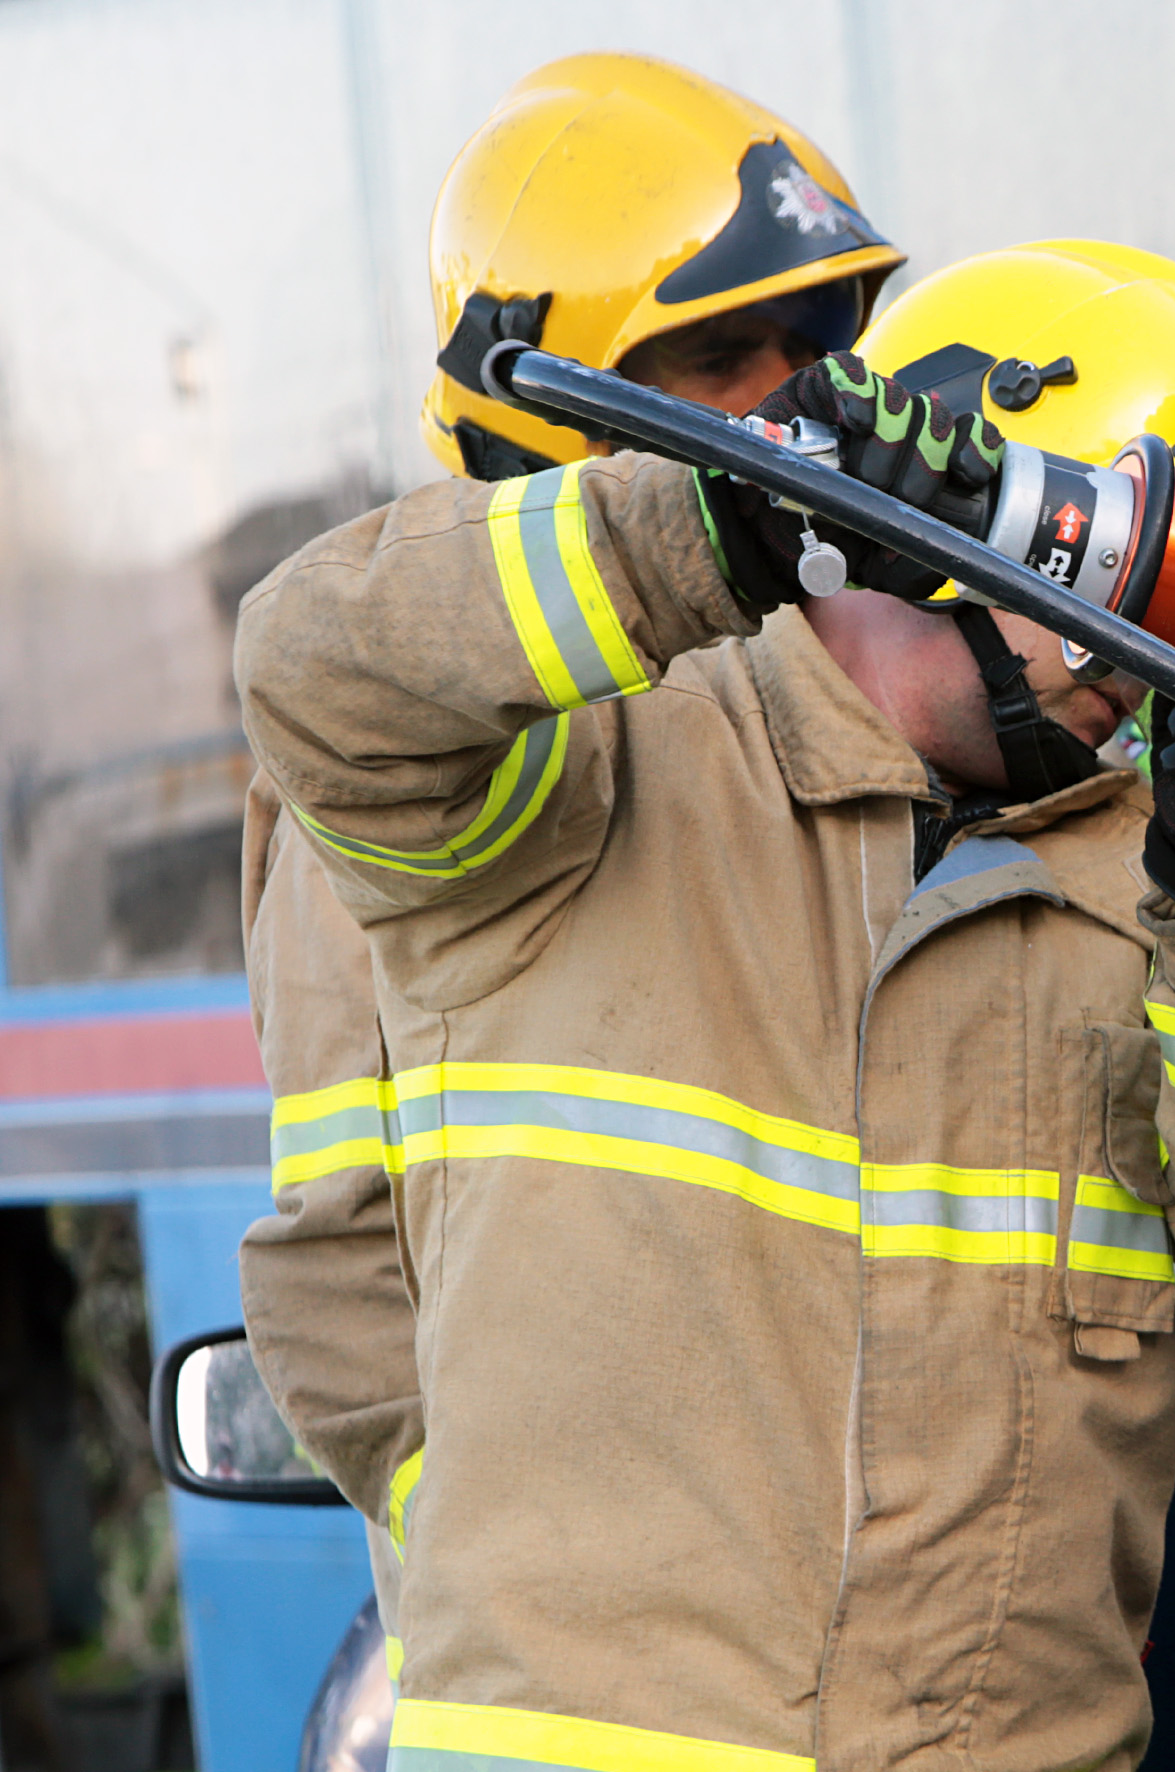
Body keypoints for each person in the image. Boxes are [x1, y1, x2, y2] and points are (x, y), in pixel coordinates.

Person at [238, 155, 1175, 1772]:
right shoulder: (597, 777)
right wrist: (713, 518)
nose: (1148, 671)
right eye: (1123, 592)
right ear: (920, 540)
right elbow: (317, 673)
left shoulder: (1164, 887)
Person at [236, 51, 908, 1684]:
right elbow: (336, 1282)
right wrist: (533, 1538)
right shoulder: (403, 737)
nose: (785, 398)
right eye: (719, 354)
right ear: (538, 386)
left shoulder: (777, 691)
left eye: (812, 349)